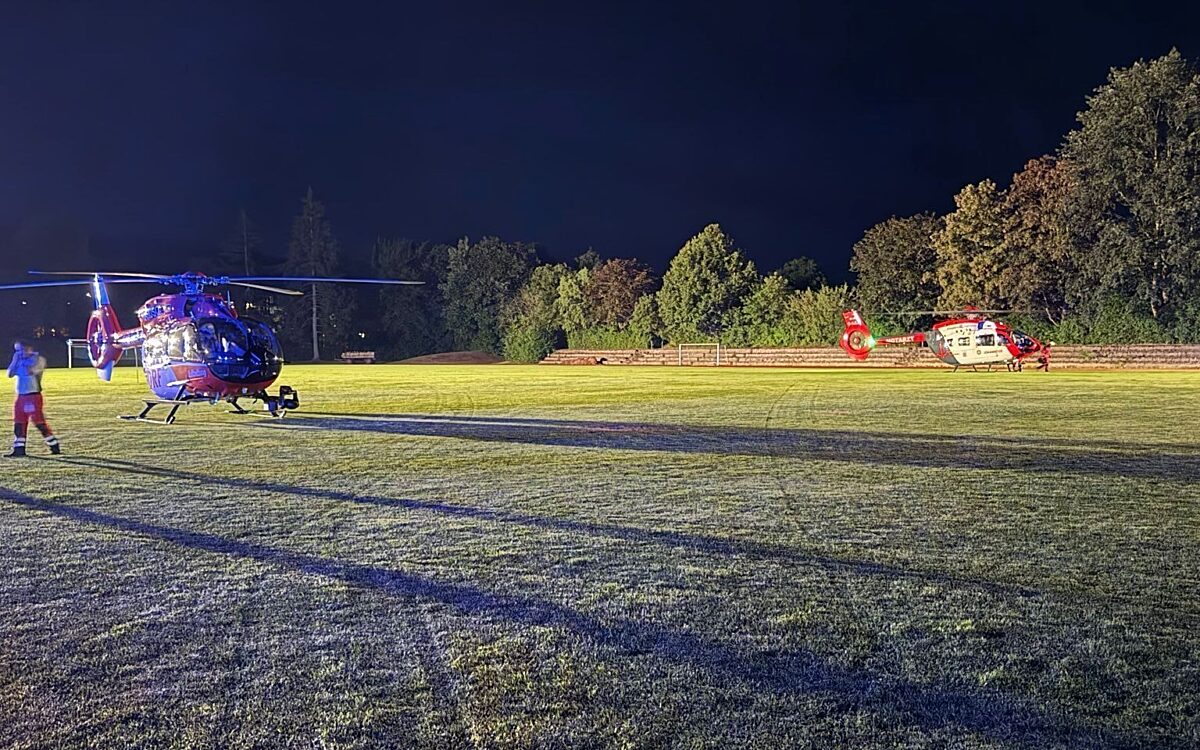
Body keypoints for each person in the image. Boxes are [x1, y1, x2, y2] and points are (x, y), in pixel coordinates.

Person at [6, 340, 60, 457]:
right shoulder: (19, 359)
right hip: (21, 395)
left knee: (38, 422)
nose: (21, 352)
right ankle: (19, 449)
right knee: (19, 422)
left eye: (23, 349)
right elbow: (9, 374)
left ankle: (53, 444)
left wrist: (22, 361)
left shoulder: (39, 359)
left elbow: (30, 371)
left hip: (33, 395)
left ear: (30, 348)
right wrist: (16, 360)